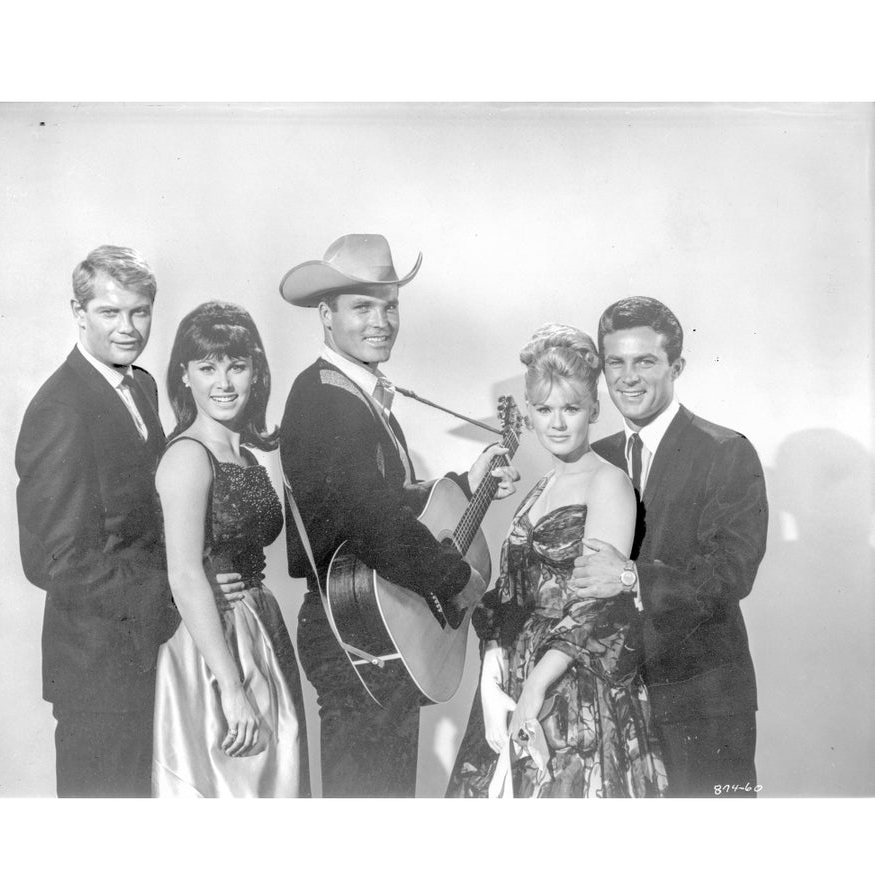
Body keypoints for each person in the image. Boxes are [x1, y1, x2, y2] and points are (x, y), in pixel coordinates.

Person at [278, 233, 519, 797]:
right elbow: (370, 522)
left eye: (390, 306)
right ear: (326, 315)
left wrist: (467, 482)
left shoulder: (358, 393)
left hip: (379, 623)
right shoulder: (323, 396)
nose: (381, 320)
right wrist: (456, 579)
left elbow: (385, 502)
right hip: (353, 631)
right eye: (362, 306)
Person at [16, 245, 237, 797]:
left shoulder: (139, 384)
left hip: (144, 653)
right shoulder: (59, 408)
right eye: (110, 313)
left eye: (140, 312)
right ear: (78, 312)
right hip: (96, 668)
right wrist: (175, 595)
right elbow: (55, 562)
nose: (128, 328)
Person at [446, 324, 668, 798]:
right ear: (528, 414)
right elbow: (508, 596)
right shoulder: (537, 490)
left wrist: (534, 689)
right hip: (519, 671)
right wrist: (491, 679)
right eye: (545, 410)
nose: (558, 423)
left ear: (594, 408)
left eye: (570, 408)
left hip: (574, 680)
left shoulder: (608, 482)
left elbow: (595, 604)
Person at [571, 296, 768, 798]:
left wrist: (631, 576)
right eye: (616, 361)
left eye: (646, 361)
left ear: (676, 366)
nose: (628, 377)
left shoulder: (726, 452)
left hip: (701, 699)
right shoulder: (598, 458)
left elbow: (730, 574)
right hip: (611, 699)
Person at [152, 301, 309, 797]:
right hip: (213, 647)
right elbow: (183, 575)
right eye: (207, 368)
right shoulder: (186, 456)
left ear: (255, 373)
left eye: (236, 366)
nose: (223, 382)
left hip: (261, 627)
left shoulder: (245, 452)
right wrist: (232, 687)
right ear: (185, 376)